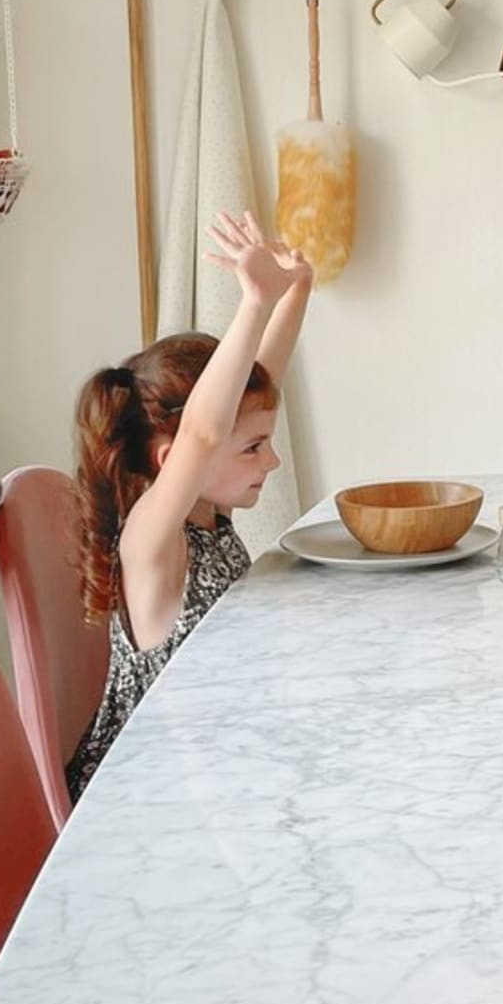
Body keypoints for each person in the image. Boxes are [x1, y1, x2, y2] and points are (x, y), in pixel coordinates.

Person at [67, 210, 312, 799]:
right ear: (172, 457)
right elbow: (207, 432)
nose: (270, 462)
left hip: (215, 770)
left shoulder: (207, 512)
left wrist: (297, 286)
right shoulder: (152, 542)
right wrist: (253, 303)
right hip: (145, 797)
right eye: (254, 448)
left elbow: (245, 398)